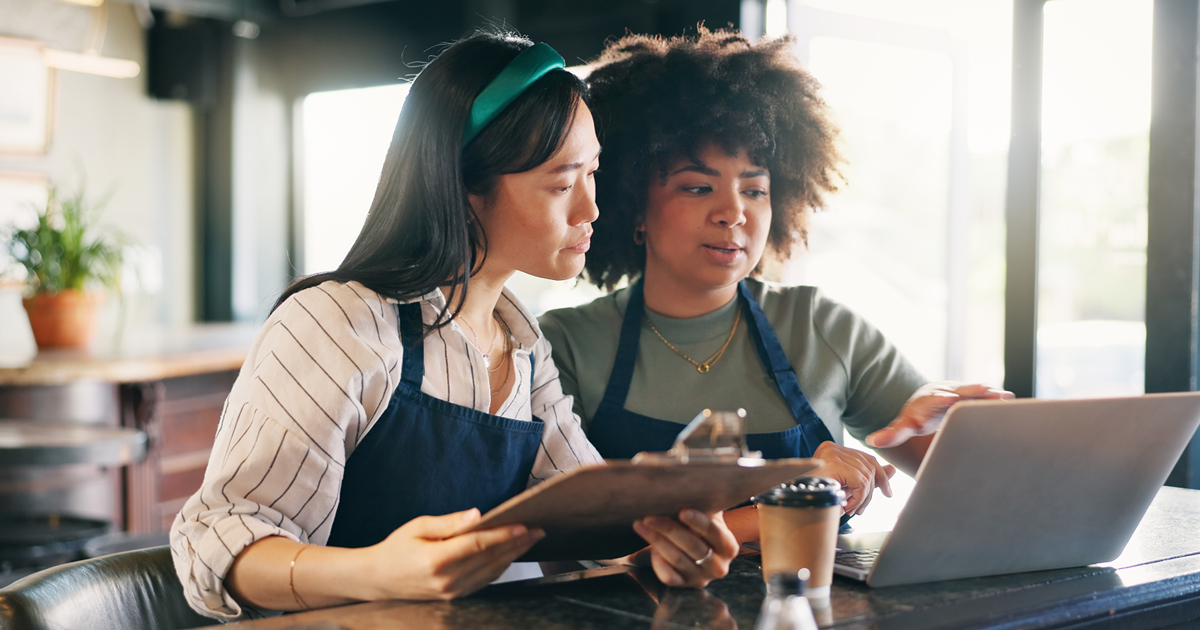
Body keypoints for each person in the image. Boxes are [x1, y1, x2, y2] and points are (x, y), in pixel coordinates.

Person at [171, 31, 738, 622]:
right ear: (467, 186)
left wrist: (663, 543)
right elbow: (215, 542)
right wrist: (377, 572)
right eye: (562, 183)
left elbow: (590, 518)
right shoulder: (340, 322)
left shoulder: (523, 347)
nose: (590, 208)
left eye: (593, 174)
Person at [538, 29, 1011, 542]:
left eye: (755, 189)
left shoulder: (822, 328)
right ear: (634, 207)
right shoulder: (562, 345)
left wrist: (959, 436)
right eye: (698, 187)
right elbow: (571, 536)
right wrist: (802, 488)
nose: (733, 212)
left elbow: (993, 495)